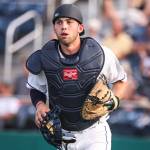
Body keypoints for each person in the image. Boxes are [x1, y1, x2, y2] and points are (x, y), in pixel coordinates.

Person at [26, 4, 127, 150]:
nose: (64, 27)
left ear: (80, 28)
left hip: (94, 133)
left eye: (69, 22)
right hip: (63, 135)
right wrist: (40, 105)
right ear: (54, 28)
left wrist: (114, 101)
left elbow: (121, 81)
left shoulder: (101, 54)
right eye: (59, 22)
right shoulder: (45, 58)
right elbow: (35, 88)